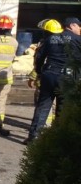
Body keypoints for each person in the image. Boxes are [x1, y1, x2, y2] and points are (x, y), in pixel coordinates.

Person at [24, 16, 81, 144]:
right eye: (79, 26)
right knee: (63, 108)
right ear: (72, 25)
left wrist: (38, 72)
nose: (80, 29)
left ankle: (34, 137)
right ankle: (57, 138)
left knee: (43, 106)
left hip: (49, 75)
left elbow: (39, 57)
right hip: (68, 77)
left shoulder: (51, 39)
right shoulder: (78, 40)